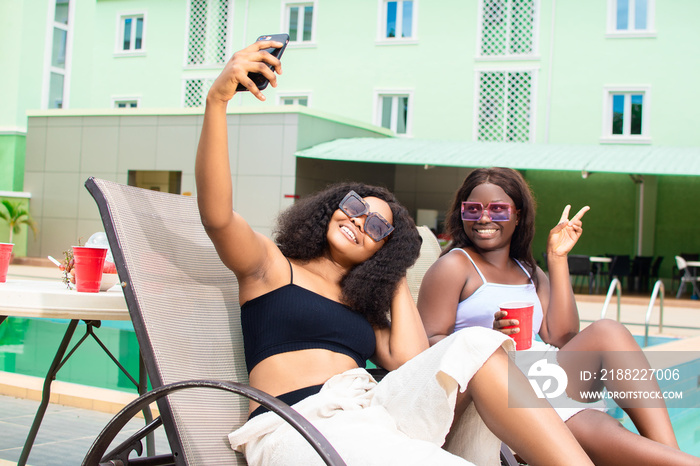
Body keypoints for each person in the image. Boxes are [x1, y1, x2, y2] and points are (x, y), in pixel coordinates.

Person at [195, 41, 594, 465]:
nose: (358, 221)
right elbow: (217, 216)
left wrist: (397, 266)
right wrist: (217, 101)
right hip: (298, 427)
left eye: (378, 227)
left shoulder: (361, 306)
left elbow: (412, 361)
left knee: (476, 342)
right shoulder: (271, 268)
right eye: (352, 207)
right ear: (330, 208)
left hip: (374, 415)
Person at [418, 167, 699, 466]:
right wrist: (486, 337)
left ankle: (673, 450)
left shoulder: (528, 270)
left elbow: (562, 337)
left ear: (518, 215)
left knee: (608, 331)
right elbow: (425, 344)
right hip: (500, 389)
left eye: (498, 209)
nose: (484, 218)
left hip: (545, 374)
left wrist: (557, 258)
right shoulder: (454, 266)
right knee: (613, 439)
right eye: (472, 209)